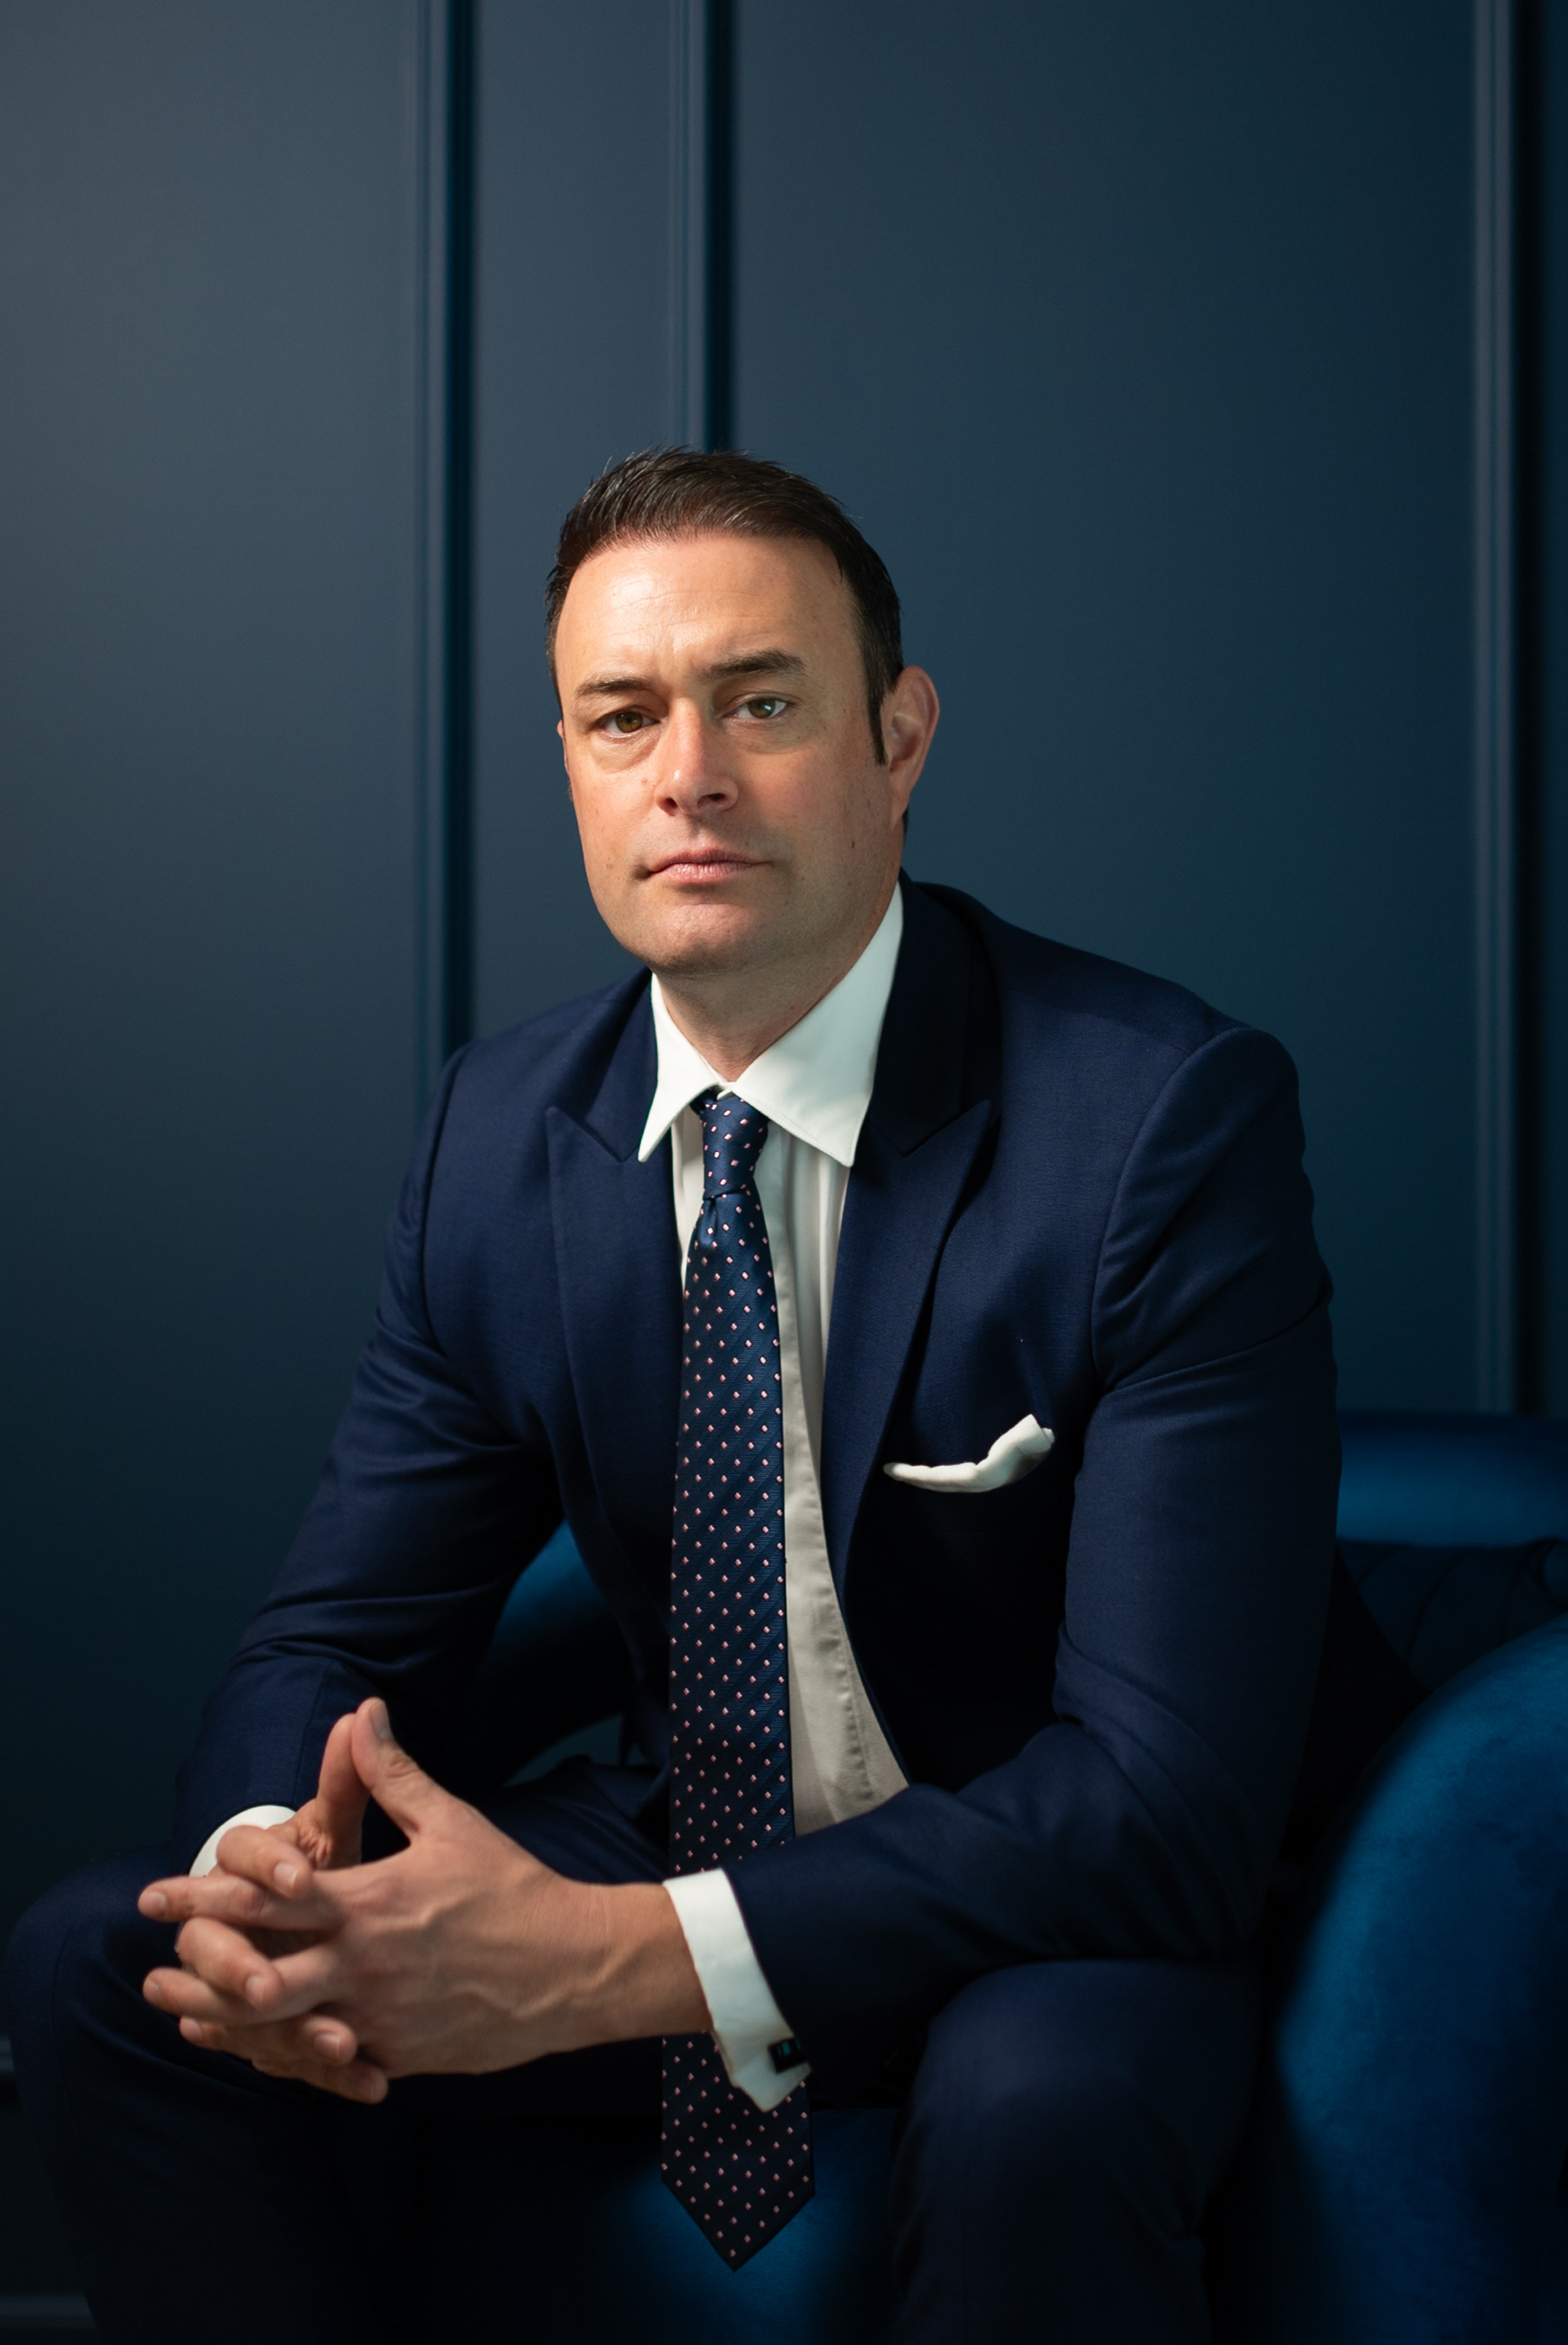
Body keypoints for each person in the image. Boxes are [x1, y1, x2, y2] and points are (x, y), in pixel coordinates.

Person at [5, 447, 1341, 2343]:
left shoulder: (1154, 1122)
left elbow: (1156, 1801)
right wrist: (269, 1876)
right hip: (694, 1827)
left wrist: (610, 1960)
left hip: (1039, 1903)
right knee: (112, 1963)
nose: (687, 772)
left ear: (898, 737)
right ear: (569, 758)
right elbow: (337, 1634)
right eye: (623, 715)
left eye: (761, 702)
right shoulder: (498, 1133)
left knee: (1036, 2100)